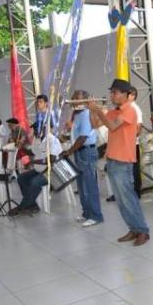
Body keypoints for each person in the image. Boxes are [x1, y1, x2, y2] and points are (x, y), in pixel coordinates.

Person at [89, 79, 150, 246]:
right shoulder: (113, 111)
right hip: (113, 159)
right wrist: (91, 110)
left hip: (124, 161)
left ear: (126, 95)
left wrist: (99, 111)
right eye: (111, 92)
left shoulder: (130, 110)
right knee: (121, 200)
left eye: (115, 92)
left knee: (128, 198)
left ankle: (143, 230)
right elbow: (95, 124)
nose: (112, 95)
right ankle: (133, 228)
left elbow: (113, 127)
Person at [60, 90, 104, 227]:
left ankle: (96, 216)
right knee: (82, 186)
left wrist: (69, 151)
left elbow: (83, 137)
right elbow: (76, 135)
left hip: (86, 151)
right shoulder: (77, 115)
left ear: (85, 101)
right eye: (73, 98)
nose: (73, 101)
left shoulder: (85, 114)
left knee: (90, 185)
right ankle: (87, 213)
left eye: (76, 99)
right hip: (80, 152)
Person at [8, 129, 63, 215]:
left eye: (36, 129)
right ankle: (32, 205)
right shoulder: (37, 139)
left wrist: (33, 162)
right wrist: (22, 147)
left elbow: (51, 160)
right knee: (21, 178)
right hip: (39, 170)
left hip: (51, 172)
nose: (34, 132)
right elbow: (32, 153)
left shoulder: (52, 140)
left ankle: (21, 207)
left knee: (35, 182)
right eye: (34, 130)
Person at [126, 87, 144, 197]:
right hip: (126, 143)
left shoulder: (135, 109)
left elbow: (138, 129)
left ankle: (137, 191)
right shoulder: (125, 108)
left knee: (134, 168)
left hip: (132, 143)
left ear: (132, 96)